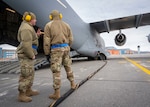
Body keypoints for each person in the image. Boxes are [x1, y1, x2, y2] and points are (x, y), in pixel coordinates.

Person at [44, 10, 78, 100]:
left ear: (51, 17)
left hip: (56, 49)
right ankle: (73, 84)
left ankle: (57, 93)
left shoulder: (49, 25)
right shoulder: (66, 25)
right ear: (60, 16)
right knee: (68, 67)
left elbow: (47, 42)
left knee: (56, 71)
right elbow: (71, 39)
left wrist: (47, 53)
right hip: (66, 48)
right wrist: (67, 46)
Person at [16, 11, 41, 102]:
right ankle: (22, 94)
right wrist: (31, 55)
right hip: (26, 54)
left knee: (30, 73)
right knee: (26, 74)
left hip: (29, 53)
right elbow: (26, 45)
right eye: (34, 19)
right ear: (29, 19)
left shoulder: (28, 27)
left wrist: (37, 36)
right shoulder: (26, 28)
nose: (36, 21)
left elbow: (31, 40)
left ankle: (28, 90)